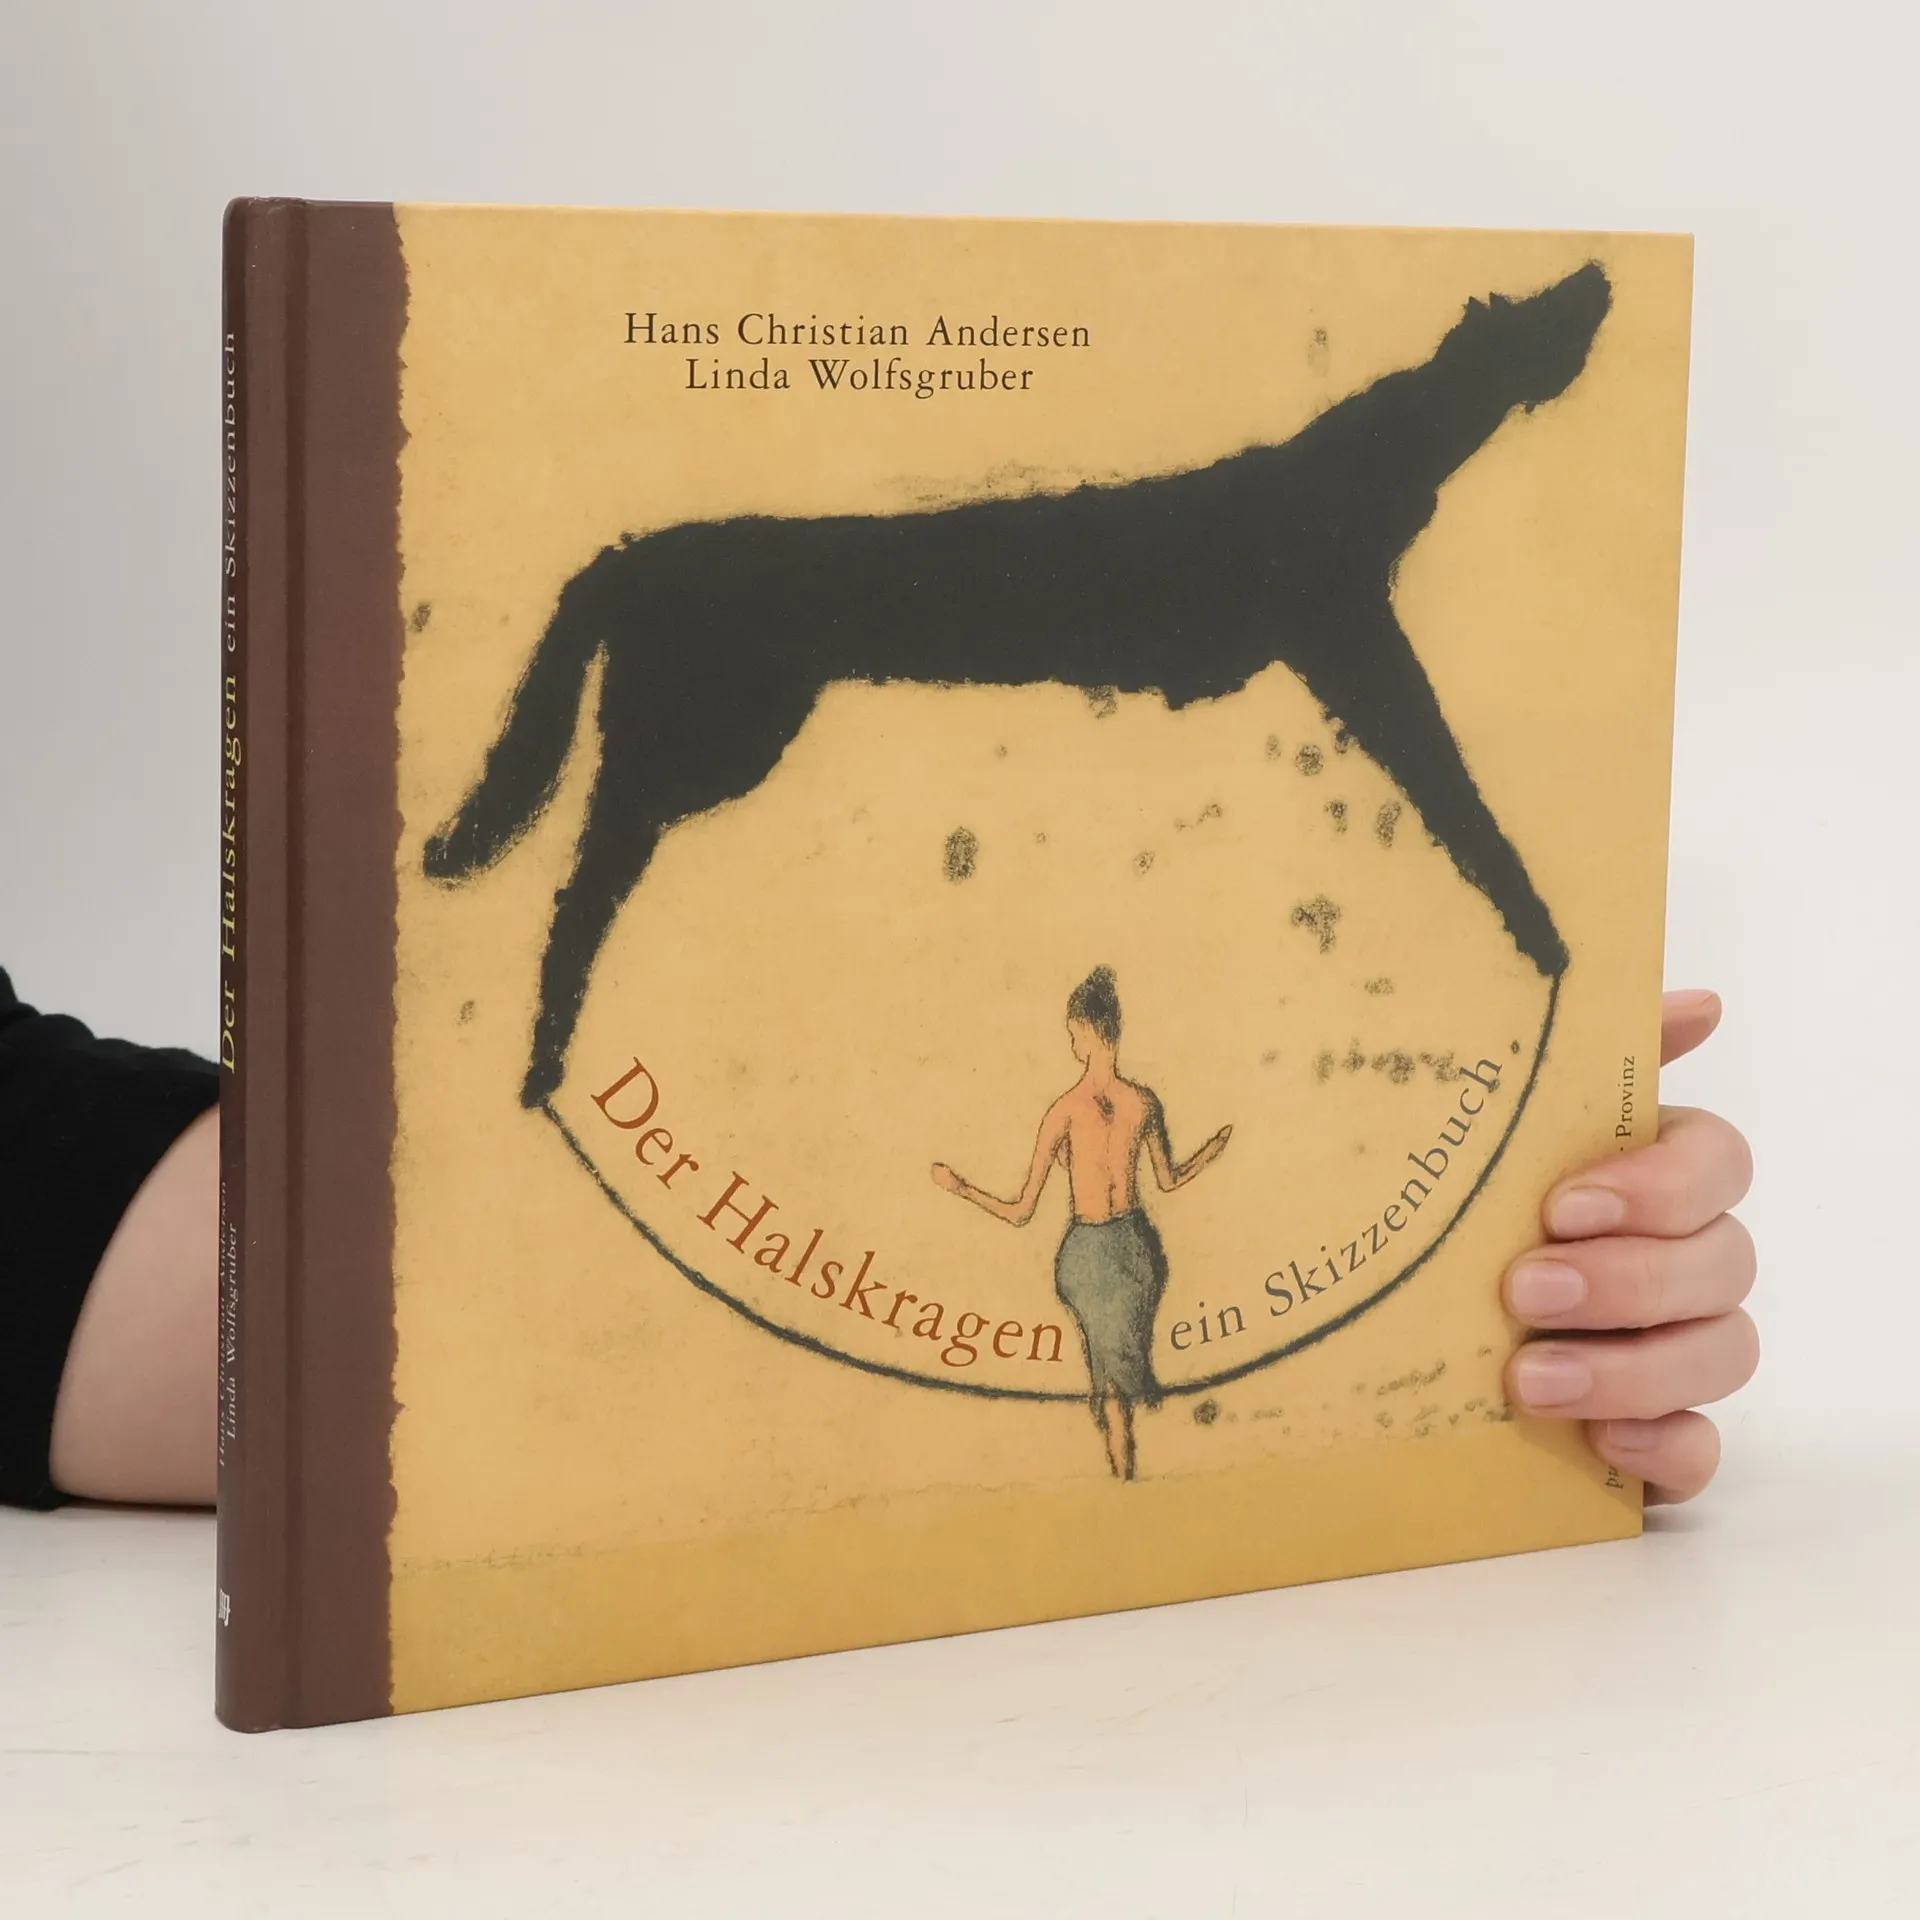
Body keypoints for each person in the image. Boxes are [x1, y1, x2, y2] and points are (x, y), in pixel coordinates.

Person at [0, 970, 1756, 1512]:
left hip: (1127, 1259)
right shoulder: (1082, 1106)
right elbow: (1032, 1191)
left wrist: (1449, 1283)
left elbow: (37, 1195)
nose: (1085, 1048)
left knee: (1128, 1369)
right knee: (1113, 1363)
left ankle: (1129, 1450)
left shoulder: (1123, 1101)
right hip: (1084, 1254)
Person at [932, 965, 1232, 1479]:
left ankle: (1124, 1481)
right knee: (1117, 1385)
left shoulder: (1065, 1111)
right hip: (1129, 1249)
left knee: (1113, 1387)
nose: (1073, 1045)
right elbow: (1170, 1179)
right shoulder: (1141, 1102)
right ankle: (1125, 1479)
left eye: (1074, 1034)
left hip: (1103, 1254)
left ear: (1091, 1030)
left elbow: (1020, 1210)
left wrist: (961, 1188)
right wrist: (1210, 1151)